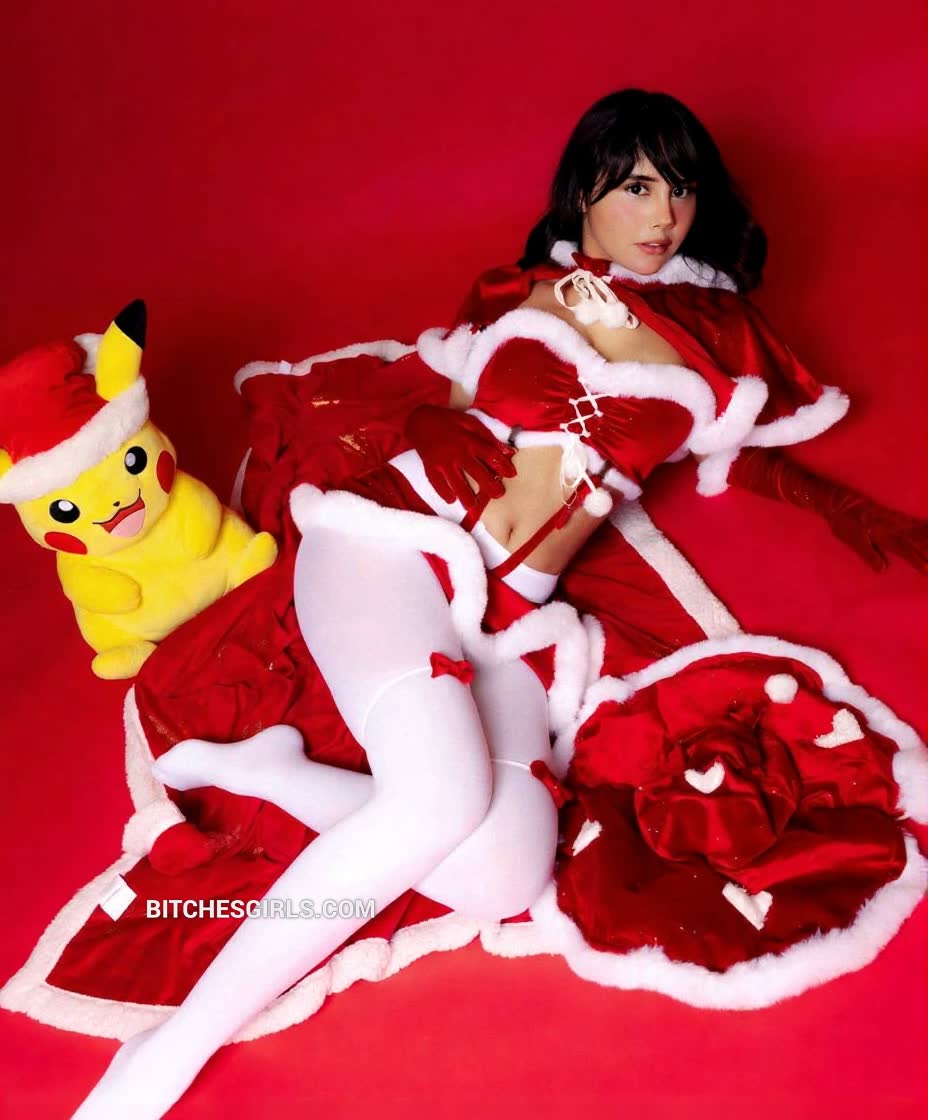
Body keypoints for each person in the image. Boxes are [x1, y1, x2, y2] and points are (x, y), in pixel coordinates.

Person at [71, 89, 926, 1119]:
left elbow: (736, 458)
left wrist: (854, 511)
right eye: (636, 186)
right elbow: (447, 397)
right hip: (392, 543)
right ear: (584, 192)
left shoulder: (721, 335)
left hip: (511, 614)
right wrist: (426, 430)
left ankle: (277, 774)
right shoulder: (526, 290)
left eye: (681, 188)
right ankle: (171, 1048)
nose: (663, 214)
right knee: (437, 805)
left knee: (505, 876)